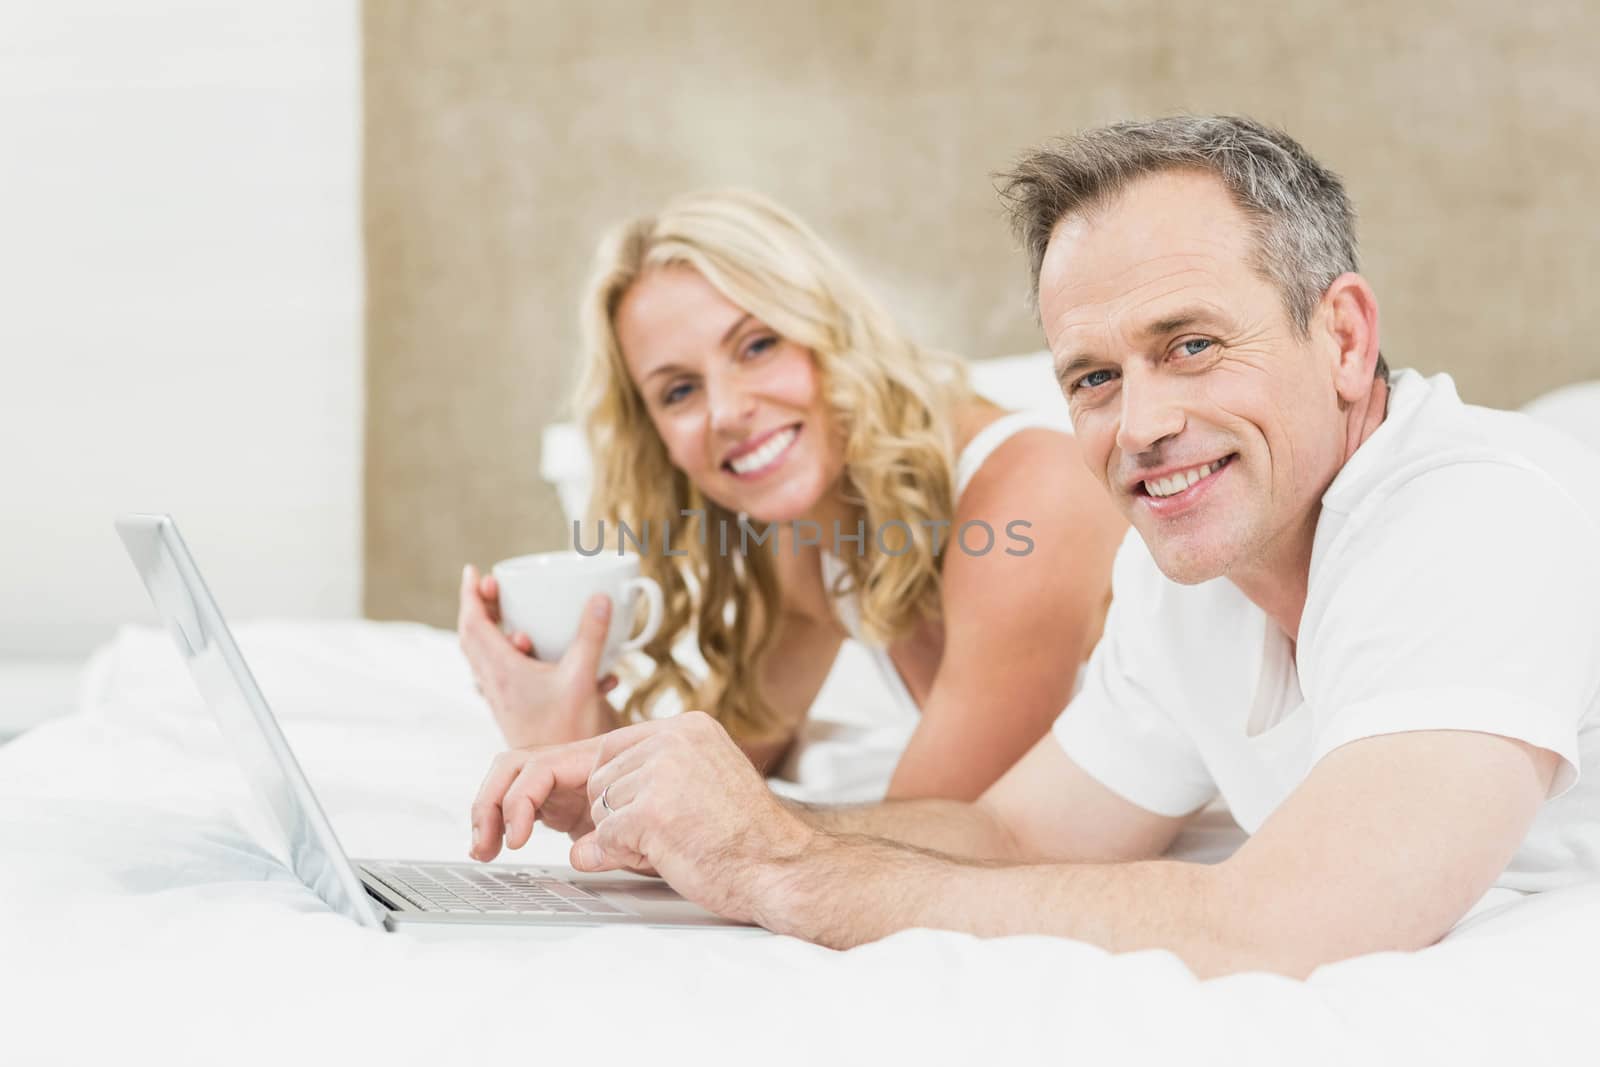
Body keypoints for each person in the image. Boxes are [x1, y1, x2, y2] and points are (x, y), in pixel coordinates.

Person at [466, 115, 1600, 979]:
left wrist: (782, 869)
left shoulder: (1478, 515)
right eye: (1095, 377)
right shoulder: (1192, 568)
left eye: (1192, 343)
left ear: (1343, 335)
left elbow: (1286, 921)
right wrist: (687, 818)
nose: (1142, 423)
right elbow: (1005, 827)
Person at [458, 189, 1127, 802]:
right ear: (656, 434)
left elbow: (927, 835)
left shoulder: (1031, 492)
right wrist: (566, 725)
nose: (726, 410)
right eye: (679, 391)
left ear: (831, 332)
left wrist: (590, 772)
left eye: (757, 345)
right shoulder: (814, 540)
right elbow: (718, 770)